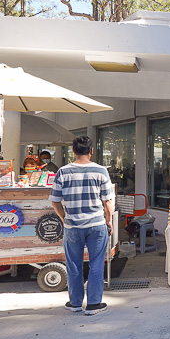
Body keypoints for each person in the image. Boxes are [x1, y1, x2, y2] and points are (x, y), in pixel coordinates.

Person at [49, 135, 115, 316]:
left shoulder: (63, 171)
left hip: (72, 226)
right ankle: (94, 303)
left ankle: (75, 303)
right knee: (96, 264)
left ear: (73, 151)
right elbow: (108, 201)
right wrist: (109, 221)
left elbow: (55, 201)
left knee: (74, 264)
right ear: (92, 151)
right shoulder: (101, 171)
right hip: (96, 224)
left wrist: (64, 218)